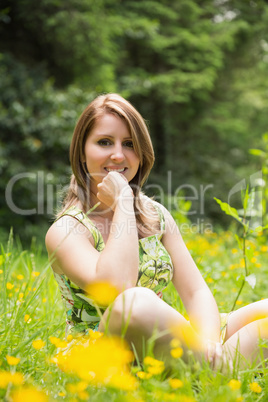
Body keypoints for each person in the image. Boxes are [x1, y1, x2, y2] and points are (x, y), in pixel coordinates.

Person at [46, 93, 268, 369]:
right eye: (104, 142)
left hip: (167, 338)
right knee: (134, 302)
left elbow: (195, 291)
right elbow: (118, 291)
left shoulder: (155, 215)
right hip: (104, 354)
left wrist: (210, 341)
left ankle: (212, 365)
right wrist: (123, 203)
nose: (118, 154)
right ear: (82, 151)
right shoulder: (67, 230)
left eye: (129, 144)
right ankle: (221, 372)